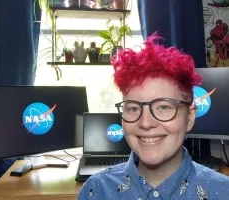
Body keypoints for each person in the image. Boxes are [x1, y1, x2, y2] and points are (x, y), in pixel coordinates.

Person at [77, 34, 229, 199]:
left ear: (190, 117)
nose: (146, 123)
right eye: (134, 108)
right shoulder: (96, 190)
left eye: (163, 107)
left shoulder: (223, 192)